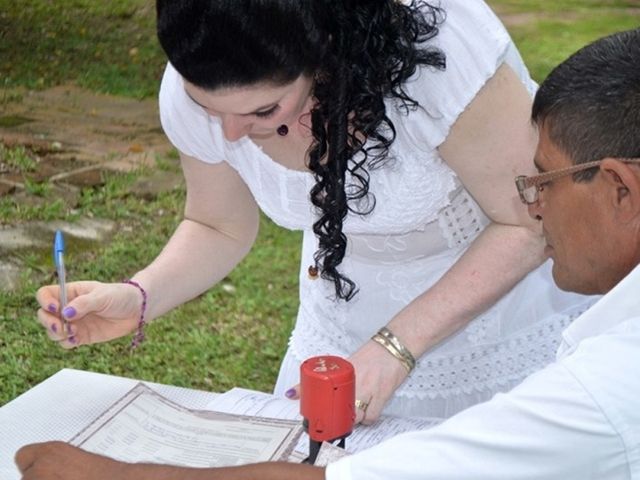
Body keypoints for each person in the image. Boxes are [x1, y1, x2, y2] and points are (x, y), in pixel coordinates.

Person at [17, 26, 640, 480]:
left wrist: (395, 346)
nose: (232, 133)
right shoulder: (213, 69)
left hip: (490, 323)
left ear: (325, 58)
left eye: (264, 110)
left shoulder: (443, 55)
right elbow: (215, 223)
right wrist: (139, 294)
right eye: (211, 111)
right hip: (336, 340)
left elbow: (527, 219)